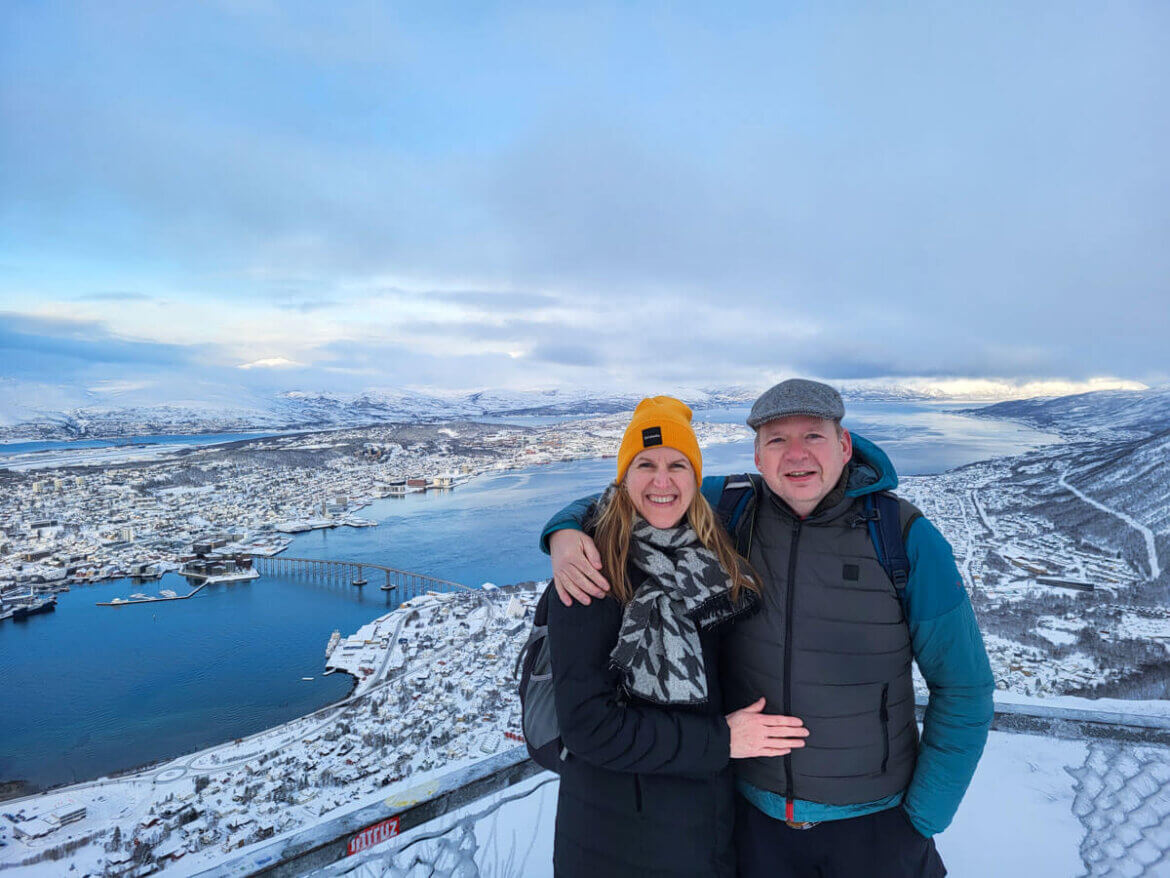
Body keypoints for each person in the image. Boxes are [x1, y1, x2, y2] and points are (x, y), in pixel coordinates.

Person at [543, 380, 995, 878]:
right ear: (757, 456)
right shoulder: (733, 512)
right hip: (752, 828)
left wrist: (922, 820)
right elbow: (633, 493)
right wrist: (564, 531)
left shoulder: (904, 539)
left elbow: (965, 687)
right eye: (777, 439)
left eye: (814, 436)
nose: (796, 454)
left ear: (844, 446)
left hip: (874, 826)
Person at [546, 396, 810, 878]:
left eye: (676, 464)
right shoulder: (590, 571)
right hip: (613, 843)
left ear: (696, 478)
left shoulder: (715, 560)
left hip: (705, 833)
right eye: (644, 464)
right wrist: (721, 740)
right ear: (624, 477)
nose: (661, 481)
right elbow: (588, 727)